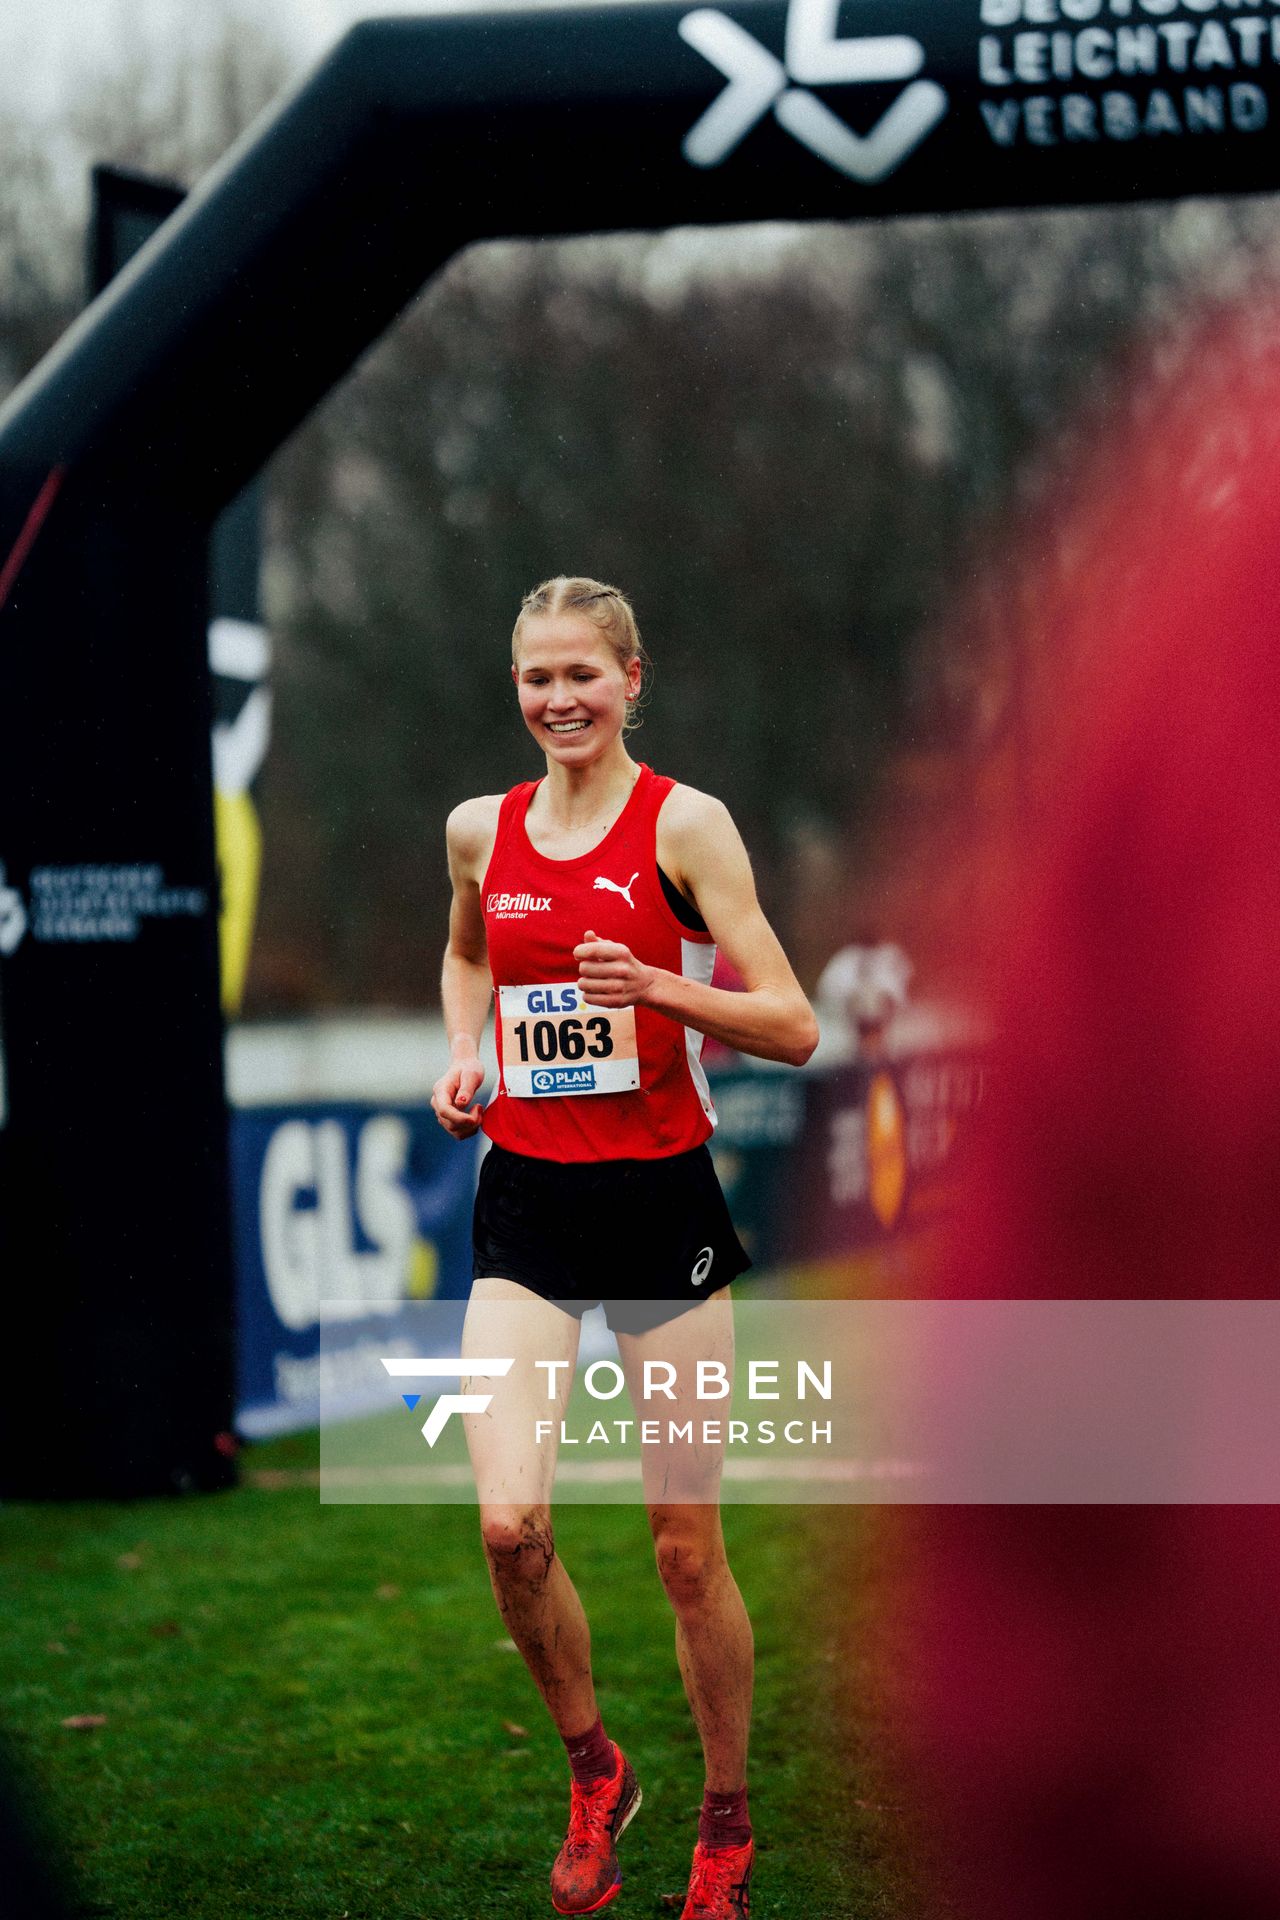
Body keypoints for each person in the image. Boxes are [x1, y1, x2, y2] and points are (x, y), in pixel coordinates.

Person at [431, 576, 818, 1919]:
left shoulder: (687, 826)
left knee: (682, 1550)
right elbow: (468, 957)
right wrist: (469, 1054)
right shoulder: (480, 831)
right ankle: (596, 1771)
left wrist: (656, 983)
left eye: (582, 675)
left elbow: (794, 1022)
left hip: (660, 1206)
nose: (559, 700)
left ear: (632, 678)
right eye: (537, 678)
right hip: (527, 1206)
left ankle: (726, 1817)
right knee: (508, 1524)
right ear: (517, 688)